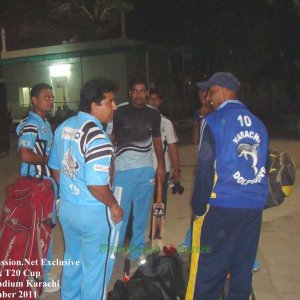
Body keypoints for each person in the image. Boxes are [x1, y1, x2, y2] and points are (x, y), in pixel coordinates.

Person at [186, 72, 269, 299]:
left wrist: (199, 207)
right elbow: (265, 164)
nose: (208, 99)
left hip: (221, 206)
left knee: (207, 272)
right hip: (252, 208)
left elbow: (205, 167)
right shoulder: (259, 124)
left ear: (223, 90)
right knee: (242, 272)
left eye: (211, 93)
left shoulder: (212, 122)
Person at [48, 78, 123, 300]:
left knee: (73, 260)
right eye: (110, 102)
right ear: (94, 105)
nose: (115, 107)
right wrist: (114, 205)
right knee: (94, 269)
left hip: (68, 208)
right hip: (93, 212)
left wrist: (71, 190)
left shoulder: (63, 127)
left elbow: (55, 167)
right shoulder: (98, 137)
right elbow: (97, 184)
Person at [106, 79, 165, 264]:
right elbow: (111, 139)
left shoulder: (154, 114)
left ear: (147, 93)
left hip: (146, 171)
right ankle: (113, 253)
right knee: (119, 215)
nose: (139, 95)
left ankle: (136, 251)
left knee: (141, 214)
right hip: (123, 172)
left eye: (142, 91)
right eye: (135, 91)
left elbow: (157, 141)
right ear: (130, 93)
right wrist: (109, 167)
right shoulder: (119, 112)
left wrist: (160, 165)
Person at [16, 83, 59, 293]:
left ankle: (36, 273)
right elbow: (25, 154)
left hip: (45, 183)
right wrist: (48, 160)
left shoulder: (44, 122)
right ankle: (41, 275)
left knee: (42, 229)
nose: (50, 100)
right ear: (34, 100)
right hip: (37, 184)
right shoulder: (31, 125)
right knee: (43, 230)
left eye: (51, 97)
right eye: (45, 97)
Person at [147, 88, 180, 235]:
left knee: (160, 202)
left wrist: (176, 169)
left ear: (160, 101)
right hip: (143, 168)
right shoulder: (140, 120)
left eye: (156, 99)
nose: (153, 102)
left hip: (161, 168)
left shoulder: (166, 123)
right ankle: (132, 234)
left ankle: (157, 231)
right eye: (150, 99)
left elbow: (172, 147)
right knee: (140, 202)